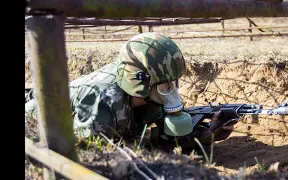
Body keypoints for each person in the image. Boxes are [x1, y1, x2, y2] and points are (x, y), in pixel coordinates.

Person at [25, 32, 234, 148]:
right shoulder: (102, 102)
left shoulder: (151, 96)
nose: (170, 91)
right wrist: (150, 140)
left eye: (172, 83)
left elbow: (169, 138)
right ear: (138, 82)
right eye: (164, 85)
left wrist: (208, 132)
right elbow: (92, 154)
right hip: (34, 114)